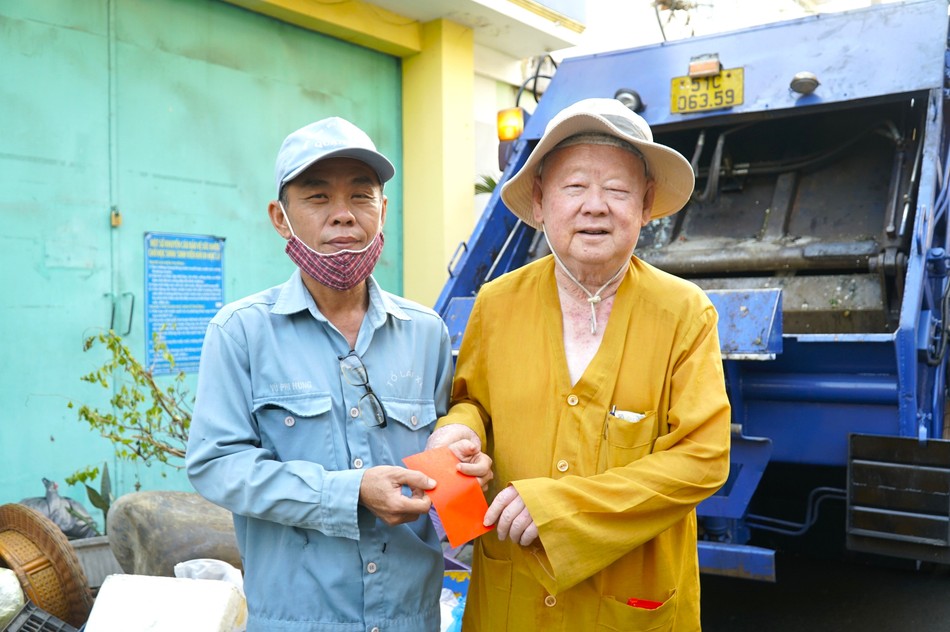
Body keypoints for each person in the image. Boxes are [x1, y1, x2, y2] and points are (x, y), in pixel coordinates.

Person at [427, 98, 731, 631]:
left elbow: (703, 459)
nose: (596, 206)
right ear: (541, 202)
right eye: (574, 187)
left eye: (617, 190)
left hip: (629, 604)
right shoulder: (496, 303)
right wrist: (457, 432)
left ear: (645, 204)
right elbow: (471, 400)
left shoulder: (684, 312)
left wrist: (559, 507)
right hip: (512, 596)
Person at [185, 116, 490, 632]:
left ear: (383, 210)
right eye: (318, 197)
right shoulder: (241, 332)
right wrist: (348, 492)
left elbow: (447, 460)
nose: (343, 216)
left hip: (411, 620)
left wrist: (467, 469)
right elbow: (217, 465)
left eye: (361, 197)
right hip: (297, 621)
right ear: (280, 218)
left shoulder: (426, 333)